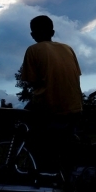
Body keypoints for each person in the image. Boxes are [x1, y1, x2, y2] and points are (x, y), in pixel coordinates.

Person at [20, 15, 83, 172]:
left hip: (49, 107)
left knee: (22, 125)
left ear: (33, 35)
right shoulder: (68, 49)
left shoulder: (33, 50)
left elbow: (31, 82)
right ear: (53, 32)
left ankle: (37, 166)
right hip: (75, 107)